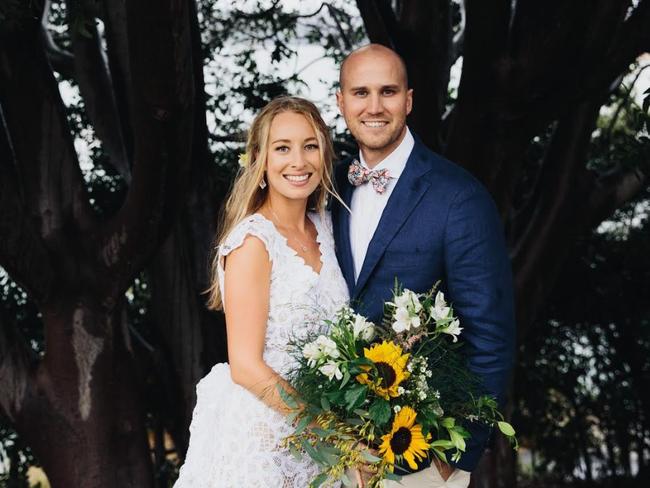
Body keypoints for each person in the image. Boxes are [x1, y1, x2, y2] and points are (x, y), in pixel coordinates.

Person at [331, 44, 516, 488]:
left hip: (421, 462)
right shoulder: (325, 187)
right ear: (340, 102)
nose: (374, 107)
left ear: (409, 100)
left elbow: (490, 333)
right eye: (360, 93)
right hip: (333, 455)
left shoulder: (459, 198)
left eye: (388, 92)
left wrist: (456, 457)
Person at [173, 96, 350, 487]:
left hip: (325, 433)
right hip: (267, 436)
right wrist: (326, 429)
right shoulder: (253, 242)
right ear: (260, 160)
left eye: (310, 146)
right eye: (282, 148)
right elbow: (246, 366)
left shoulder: (328, 228)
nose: (298, 162)